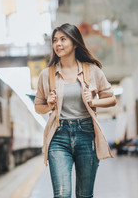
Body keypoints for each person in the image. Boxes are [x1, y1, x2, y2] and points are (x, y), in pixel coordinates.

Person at [35, 23, 117, 198]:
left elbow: (111, 98)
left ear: (75, 42)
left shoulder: (92, 71)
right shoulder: (47, 75)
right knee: (62, 194)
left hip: (86, 134)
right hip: (58, 136)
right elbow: (38, 107)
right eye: (55, 40)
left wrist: (93, 100)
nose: (58, 44)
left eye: (63, 39)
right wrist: (49, 104)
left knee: (84, 195)